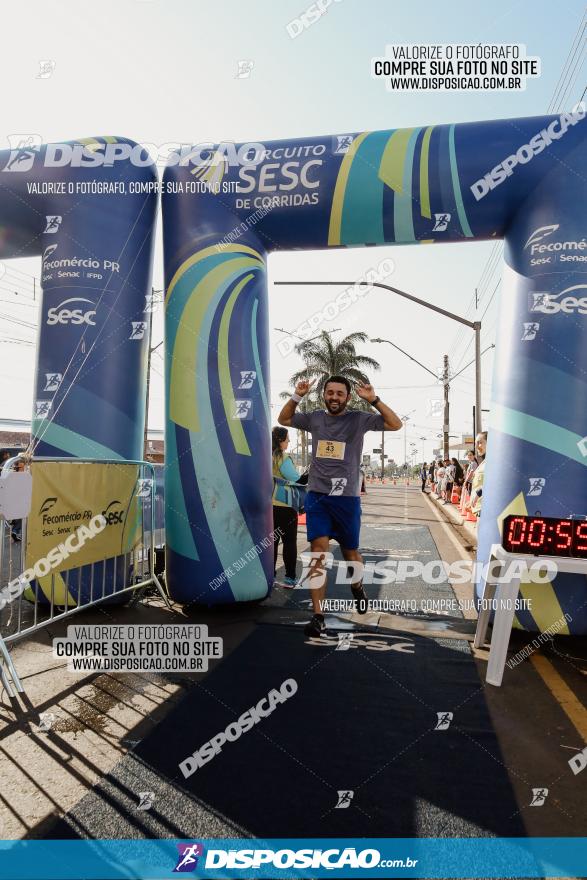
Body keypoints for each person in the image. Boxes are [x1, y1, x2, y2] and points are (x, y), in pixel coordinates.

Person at [278, 375, 402, 637]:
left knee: (350, 554)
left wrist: (374, 400)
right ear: (324, 394)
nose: (334, 397)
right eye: (330, 393)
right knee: (318, 552)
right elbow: (284, 420)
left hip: (346, 498)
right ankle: (318, 616)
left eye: (339, 394)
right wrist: (297, 395)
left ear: (348, 397)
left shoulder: (359, 419)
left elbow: (395, 424)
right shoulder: (314, 418)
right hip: (319, 496)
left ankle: (357, 586)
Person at [271, 426, 300, 588]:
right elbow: (295, 479)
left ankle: (271, 575)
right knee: (289, 542)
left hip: (269, 506)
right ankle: (289, 578)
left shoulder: (264, 456)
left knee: (272, 542)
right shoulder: (282, 457)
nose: (289, 441)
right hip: (286, 506)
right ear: (281, 440)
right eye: (287, 439)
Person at [467, 432, 487, 520]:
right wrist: (470, 501)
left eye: (480, 442)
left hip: (485, 512)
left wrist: (478, 493)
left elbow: (494, 482)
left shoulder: (495, 462)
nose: (476, 446)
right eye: (476, 443)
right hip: (478, 510)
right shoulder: (484, 463)